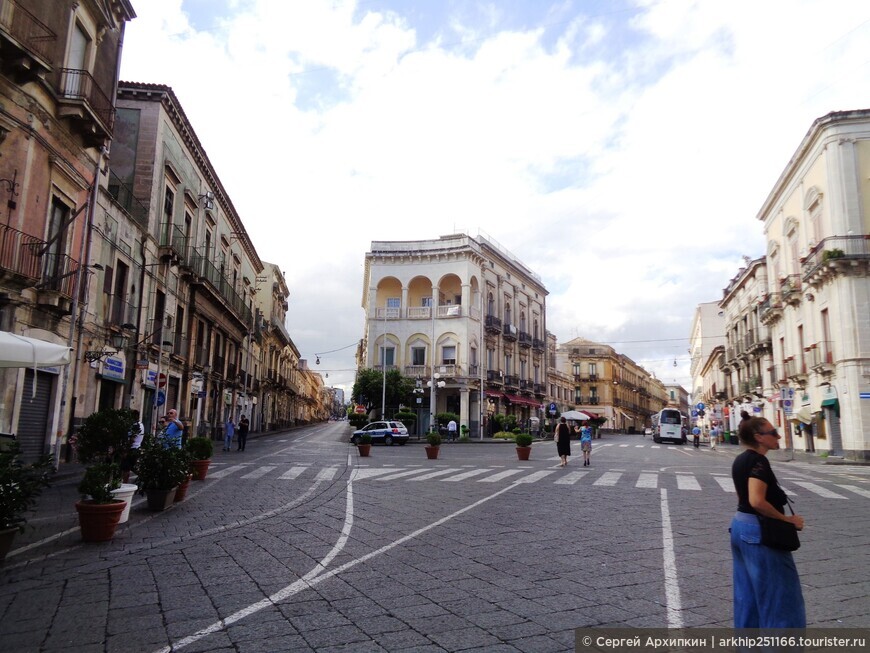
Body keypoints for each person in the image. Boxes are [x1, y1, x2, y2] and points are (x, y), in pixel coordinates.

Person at [730, 417, 806, 628]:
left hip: (740, 526)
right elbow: (756, 501)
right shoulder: (758, 462)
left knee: (747, 599)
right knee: (780, 600)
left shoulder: (740, 460)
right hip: (758, 533)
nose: (778, 436)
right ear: (759, 437)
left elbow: (741, 498)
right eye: (773, 432)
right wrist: (788, 521)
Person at [121, 410, 145, 483]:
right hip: (136, 448)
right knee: (132, 467)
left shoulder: (136, 425)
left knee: (127, 468)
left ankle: (125, 483)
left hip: (132, 449)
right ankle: (143, 479)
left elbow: (132, 439)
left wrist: (126, 450)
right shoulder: (140, 424)